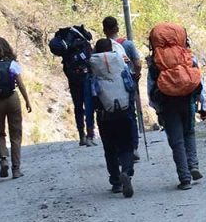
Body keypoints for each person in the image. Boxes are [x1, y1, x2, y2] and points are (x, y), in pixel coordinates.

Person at [147, 23, 206, 190]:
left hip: (168, 104)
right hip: (188, 101)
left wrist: (157, 109)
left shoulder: (156, 62)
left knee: (176, 141)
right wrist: (204, 105)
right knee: (189, 133)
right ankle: (193, 165)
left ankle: (185, 178)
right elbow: (199, 81)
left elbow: (151, 88)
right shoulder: (188, 57)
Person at [89, 39, 137, 197]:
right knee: (126, 145)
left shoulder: (93, 69)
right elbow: (130, 86)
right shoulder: (120, 63)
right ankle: (127, 172)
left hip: (104, 115)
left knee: (109, 148)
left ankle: (116, 181)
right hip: (123, 112)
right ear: (111, 49)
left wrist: (89, 121)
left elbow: (91, 95)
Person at [0, 37, 32, 178]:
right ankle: (16, 169)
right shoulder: (12, 64)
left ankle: (3, 159)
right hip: (12, 99)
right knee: (16, 134)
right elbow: (20, 84)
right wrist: (27, 100)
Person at [102, 16, 142, 159]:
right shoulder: (128, 44)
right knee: (131, 114)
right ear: (117, 29)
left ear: (104, 30)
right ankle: (134, 147)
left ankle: (120, 149)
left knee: (114, 118)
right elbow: (137, 64)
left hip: (108, 89)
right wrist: (136, 76)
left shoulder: (100, 47)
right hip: (127, 84)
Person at [50, 25, 96, 146]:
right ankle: (90, 134)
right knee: (89, 104)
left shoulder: (66, 43)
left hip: (72, 77)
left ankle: (81, 135)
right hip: (85, 75)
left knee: (78, 106)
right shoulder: (82, 39)